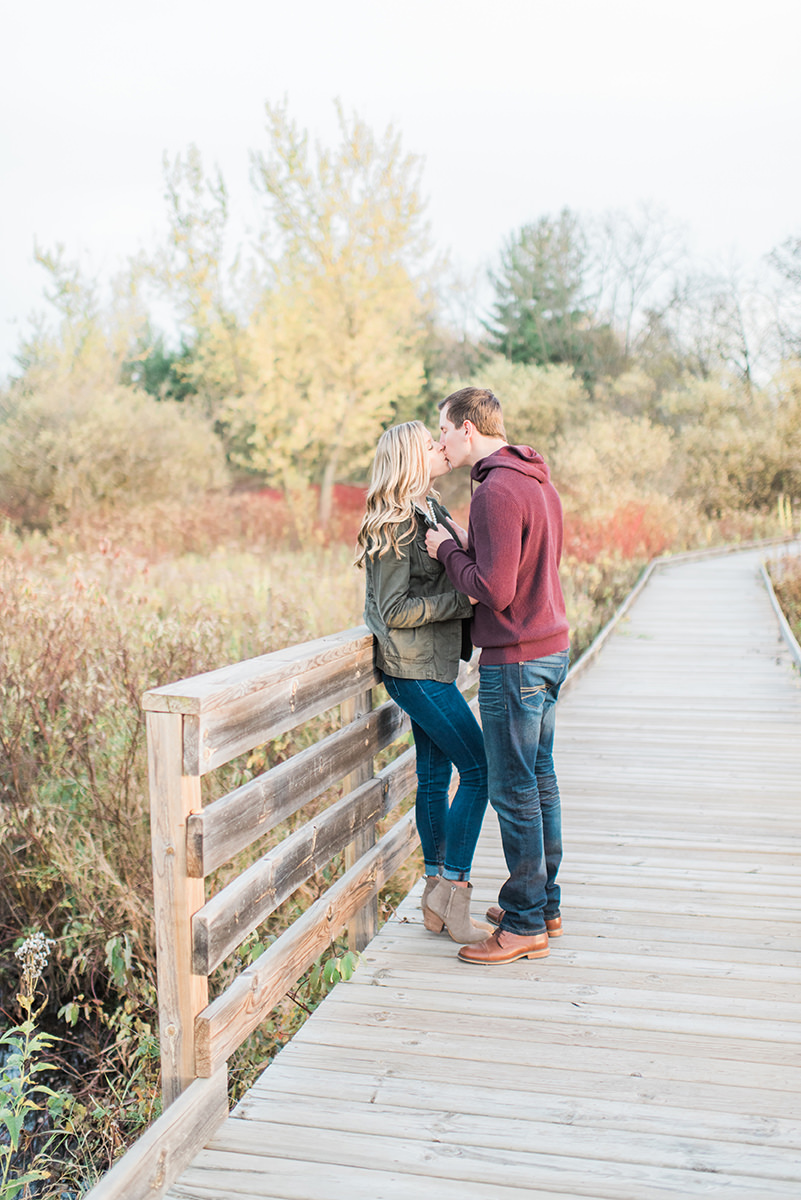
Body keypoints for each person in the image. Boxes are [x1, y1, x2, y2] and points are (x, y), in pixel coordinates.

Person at [425, 387, 570, 965]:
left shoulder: (493, 490)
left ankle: (524, 924)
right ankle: (543, 902)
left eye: (444, 430)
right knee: (540, 781)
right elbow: (524, 562)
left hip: (515, 660)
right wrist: (469, 546)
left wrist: (443, 551)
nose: (440, 442)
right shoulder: (535, 480)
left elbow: (495, 589)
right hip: (550, 648)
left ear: (467, 428)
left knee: (513, 792)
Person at [355, 420, 490, 943]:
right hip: (412, 670)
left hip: (432, 666)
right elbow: (393, 610)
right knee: (479, 770)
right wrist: (464, 600)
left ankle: (435, 897)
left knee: (435, 776)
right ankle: (454, 893)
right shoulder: (395, 525)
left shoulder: (429, 509)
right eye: (430, 445)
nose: (440, 447)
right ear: (411, 458)